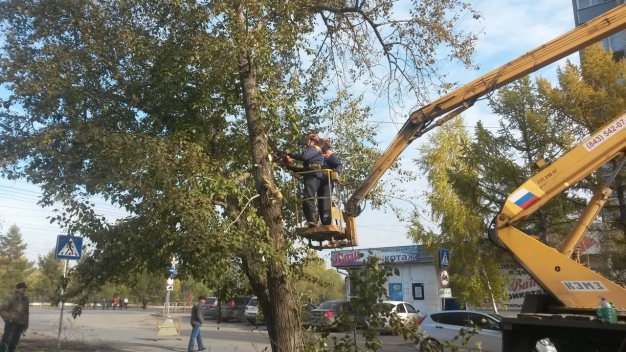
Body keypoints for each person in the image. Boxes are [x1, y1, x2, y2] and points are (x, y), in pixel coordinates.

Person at [287, 133, 324, 227]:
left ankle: (313, 221)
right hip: (310, 174)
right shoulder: (311, 156)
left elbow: (303, 156)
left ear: (313, 141)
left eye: (307, 142)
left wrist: (290, 154)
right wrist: (290, 166)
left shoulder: (315, 148)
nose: (305, 145)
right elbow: (304, 169)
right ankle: (310, 222)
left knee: (309, 198)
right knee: (305, 201)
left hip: (313, 174)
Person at [318, 138, 343, 225]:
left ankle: (327, 221)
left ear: (326, 145)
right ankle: (323, 220)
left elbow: (339, 165)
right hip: (319, 180)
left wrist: (337, 171)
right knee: (319, 200)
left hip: (327, 180)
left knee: (325, 199)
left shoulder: (330, 154)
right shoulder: (318, 154)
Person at [0, 282, 29, 352]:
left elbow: (26, 313)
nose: (24, 289)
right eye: (22, 288)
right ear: (17, 289)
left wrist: (25, 325)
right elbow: (2, 309)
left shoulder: (26, 300)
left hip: (20, 323)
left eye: (24, 288)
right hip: (11, 323)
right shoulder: (10, 298)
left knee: (14, 342)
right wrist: (9, 319)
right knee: (6, 340)